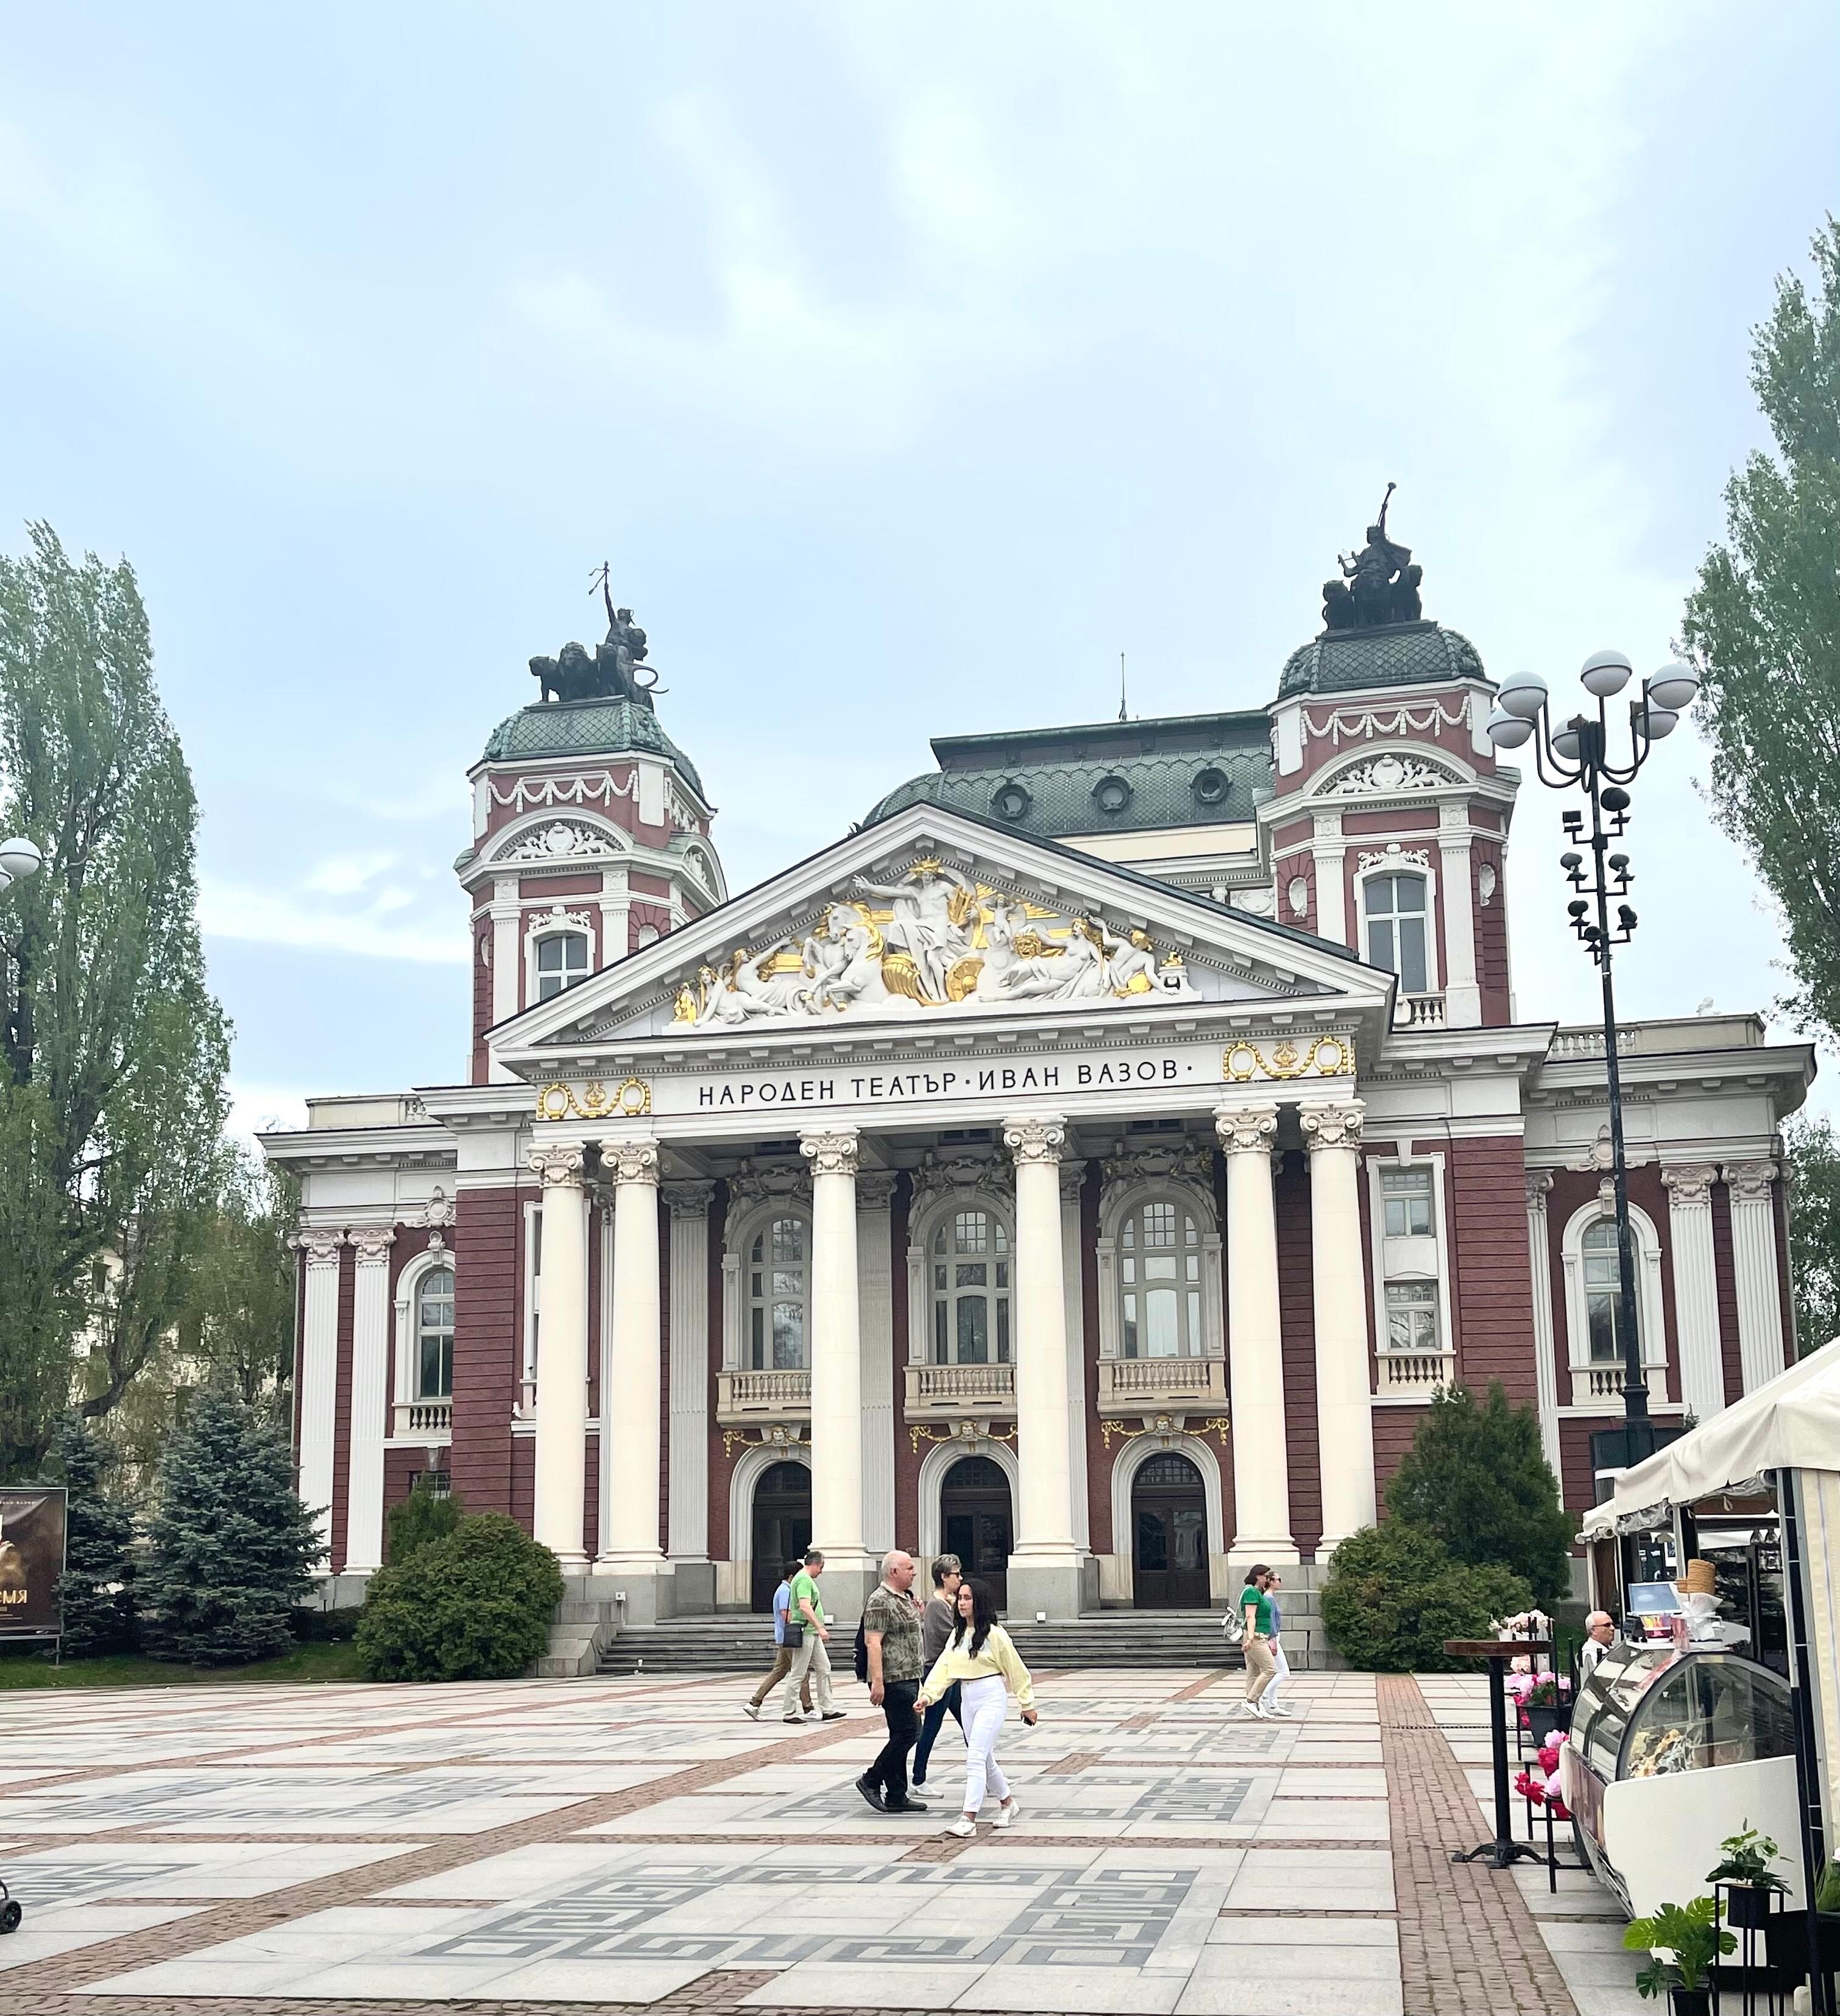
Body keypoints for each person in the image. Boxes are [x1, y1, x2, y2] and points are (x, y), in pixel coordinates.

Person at [917, 1576, 1036, 1837]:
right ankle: (1008, 1803)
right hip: (967, 1697)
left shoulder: (996, 1635)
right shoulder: (957, 1635)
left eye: (968, 1598)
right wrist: (927, 1695)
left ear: (979, 1601)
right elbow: (944, 1668)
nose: (962, 1603)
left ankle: (968, 1818)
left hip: (991, 1696)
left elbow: (1016, 1669)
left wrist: (1026, 1703)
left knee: (975, 1758)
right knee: (985, 1759)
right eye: (960, 1598)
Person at [858, 1549, 928, 1815]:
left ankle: (897, 1794)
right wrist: (877, 1682)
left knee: (900, 1733)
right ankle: (871, 1779)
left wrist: (917, 1614)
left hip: (909, 1674)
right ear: (894, 1572)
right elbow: (872, 1641)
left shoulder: (903, 1598)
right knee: (911, 1733)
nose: (914, 1572)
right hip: (893, 1678)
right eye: (909, 1568)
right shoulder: (879, 1600)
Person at [912, 1554, 965, 1790]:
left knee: (970, 1724)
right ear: (944, 1577)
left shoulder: (946, 1603)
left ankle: (991, 1776)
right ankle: (918, 1778)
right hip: (938, 1671)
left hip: (950, 1672)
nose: (960, 1578)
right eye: (956, 1574)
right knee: (932, 1725)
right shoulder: (936, 1605)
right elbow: (950, 1636)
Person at [743, 1558, 813, 1721]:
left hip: (784, 1637)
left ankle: (754, 1703)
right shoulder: (786, 1591)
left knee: (779, 1672)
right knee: (801, 1672)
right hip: (789, 1637)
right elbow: (786, 1614)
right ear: (791, 1577)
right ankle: (808, 1708)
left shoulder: (784, 1589)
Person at [780, 1548, 844, 1724]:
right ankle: (789, 1712)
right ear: (815, 1564)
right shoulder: (803, 1580)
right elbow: (805, 1606)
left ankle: (828, 1709)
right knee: (798, 1672)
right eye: (821, 1567)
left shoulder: (803, 1579)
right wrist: (820, 1627)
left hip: (811, 1632)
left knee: (824, 1668)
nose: (822, 1571)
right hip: (807, 1631)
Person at [1236, 1565, 1276, 1719]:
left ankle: (1256, 1705)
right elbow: (1250, 1616)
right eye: (1266, 1576)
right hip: (1256, 1637)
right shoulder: (1252, 1592)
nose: (1268, 1579)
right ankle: (1251, 1701)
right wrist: (1251, 1638)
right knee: (1269, 1669)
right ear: (1258, 1576)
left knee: (1254, 1673)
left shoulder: (1257, 1592)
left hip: (1258, 1636)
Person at [1262, 1571, 1293, 1719]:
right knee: (1284, 1672)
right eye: (1278, 1579)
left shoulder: (1269, 1598)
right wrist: (1272, 1639)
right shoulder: (1269, 1599)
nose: (1280, 1582)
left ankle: (1273, 1704)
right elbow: (1270, 1621)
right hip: (1272, 1637)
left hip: (1274, 1636)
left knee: (1276, 1671)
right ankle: (1263, 1695)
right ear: (1271, 1582)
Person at [1578, 1610, 1618, 1683]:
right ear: (1593, 1630)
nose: (1613, 1628)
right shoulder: (1589, 1654)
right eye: (1607, 1625)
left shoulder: (1613, 1650)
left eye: (1612, 1624)